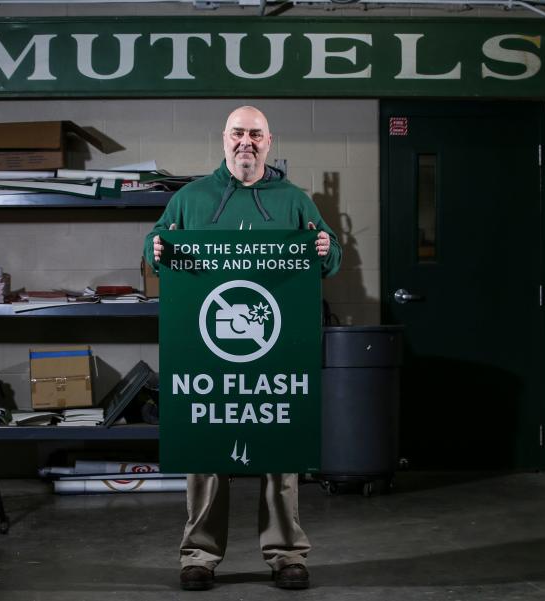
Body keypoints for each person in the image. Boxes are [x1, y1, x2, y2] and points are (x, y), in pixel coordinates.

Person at [143, 106, 341, 591]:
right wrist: (155, 248)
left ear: (269, 141)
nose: (245, 142)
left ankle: (286, 554)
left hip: (278, 353)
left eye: (255, 134)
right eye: (238, 133)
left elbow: (330, 257)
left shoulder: (295, 201)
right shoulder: (190, 199)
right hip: (206, 353)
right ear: (224, 139)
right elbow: (155, 244)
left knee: (281, 452)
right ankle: (199, 555)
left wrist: (324, 249)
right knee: (207, 451)